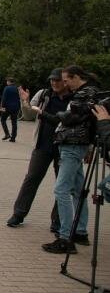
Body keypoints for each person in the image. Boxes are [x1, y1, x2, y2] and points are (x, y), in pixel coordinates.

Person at [42, 65, 98, 254]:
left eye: (67, 80)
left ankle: (65, 237)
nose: (65, 84)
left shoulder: (84, 94)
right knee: (77, 189)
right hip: (76, 143)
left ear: (77, 78)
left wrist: (56, 115)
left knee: (61, 190)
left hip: (73, 143)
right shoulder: (88, 92)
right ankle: (80, 231)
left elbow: (71, 117)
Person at [6, 68, 71, 229]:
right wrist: (25, 102)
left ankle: (57, 221)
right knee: (31, 179)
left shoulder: (74, 98)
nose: (54, 83)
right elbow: (28, 115)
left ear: (65, 81)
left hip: (64, 147)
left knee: (62, 185)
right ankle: (18, 214)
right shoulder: (44, 94)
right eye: (52, 80)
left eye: (57, 80)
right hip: (42, 145)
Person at [0, 77, 20, 142]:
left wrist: (2, 106)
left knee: (3, 120)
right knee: (14, 122)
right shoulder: (17, 88)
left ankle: (7, 134)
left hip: (8, 107)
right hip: (16, 107)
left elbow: (4, 98)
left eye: (7, 81)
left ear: (9, 82)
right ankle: (13, 137)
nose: (6, 82)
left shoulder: (7, 88)